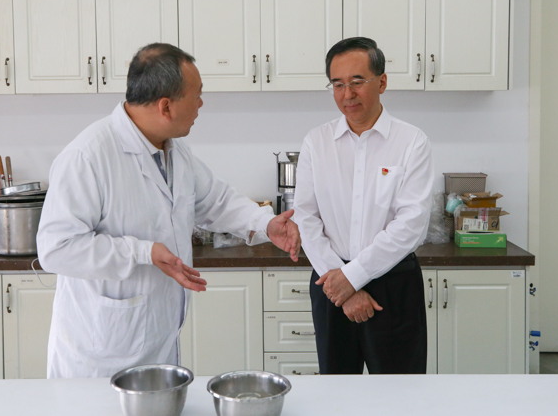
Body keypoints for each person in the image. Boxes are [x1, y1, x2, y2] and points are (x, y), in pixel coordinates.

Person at [37, 43, 301, 379]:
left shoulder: (174, 151)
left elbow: (215, 200)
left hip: (156, 345)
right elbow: (56, 249)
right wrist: (143, 252)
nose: (201, 104)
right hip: (98, 356)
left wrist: (266, 224)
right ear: (166, 106)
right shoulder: (87, 157)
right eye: (197, 95)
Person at [293, 37, 434, 375]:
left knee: (400, 391)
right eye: (338, 84)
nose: (347, 94)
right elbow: (306, 216)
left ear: (382, 82)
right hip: (330, 280)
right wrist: (342, 284)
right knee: (336, 388)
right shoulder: (316, 142)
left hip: (392, 282)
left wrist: (353, 277)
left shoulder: (411, 141)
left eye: (357, 82)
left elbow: (411, 223)